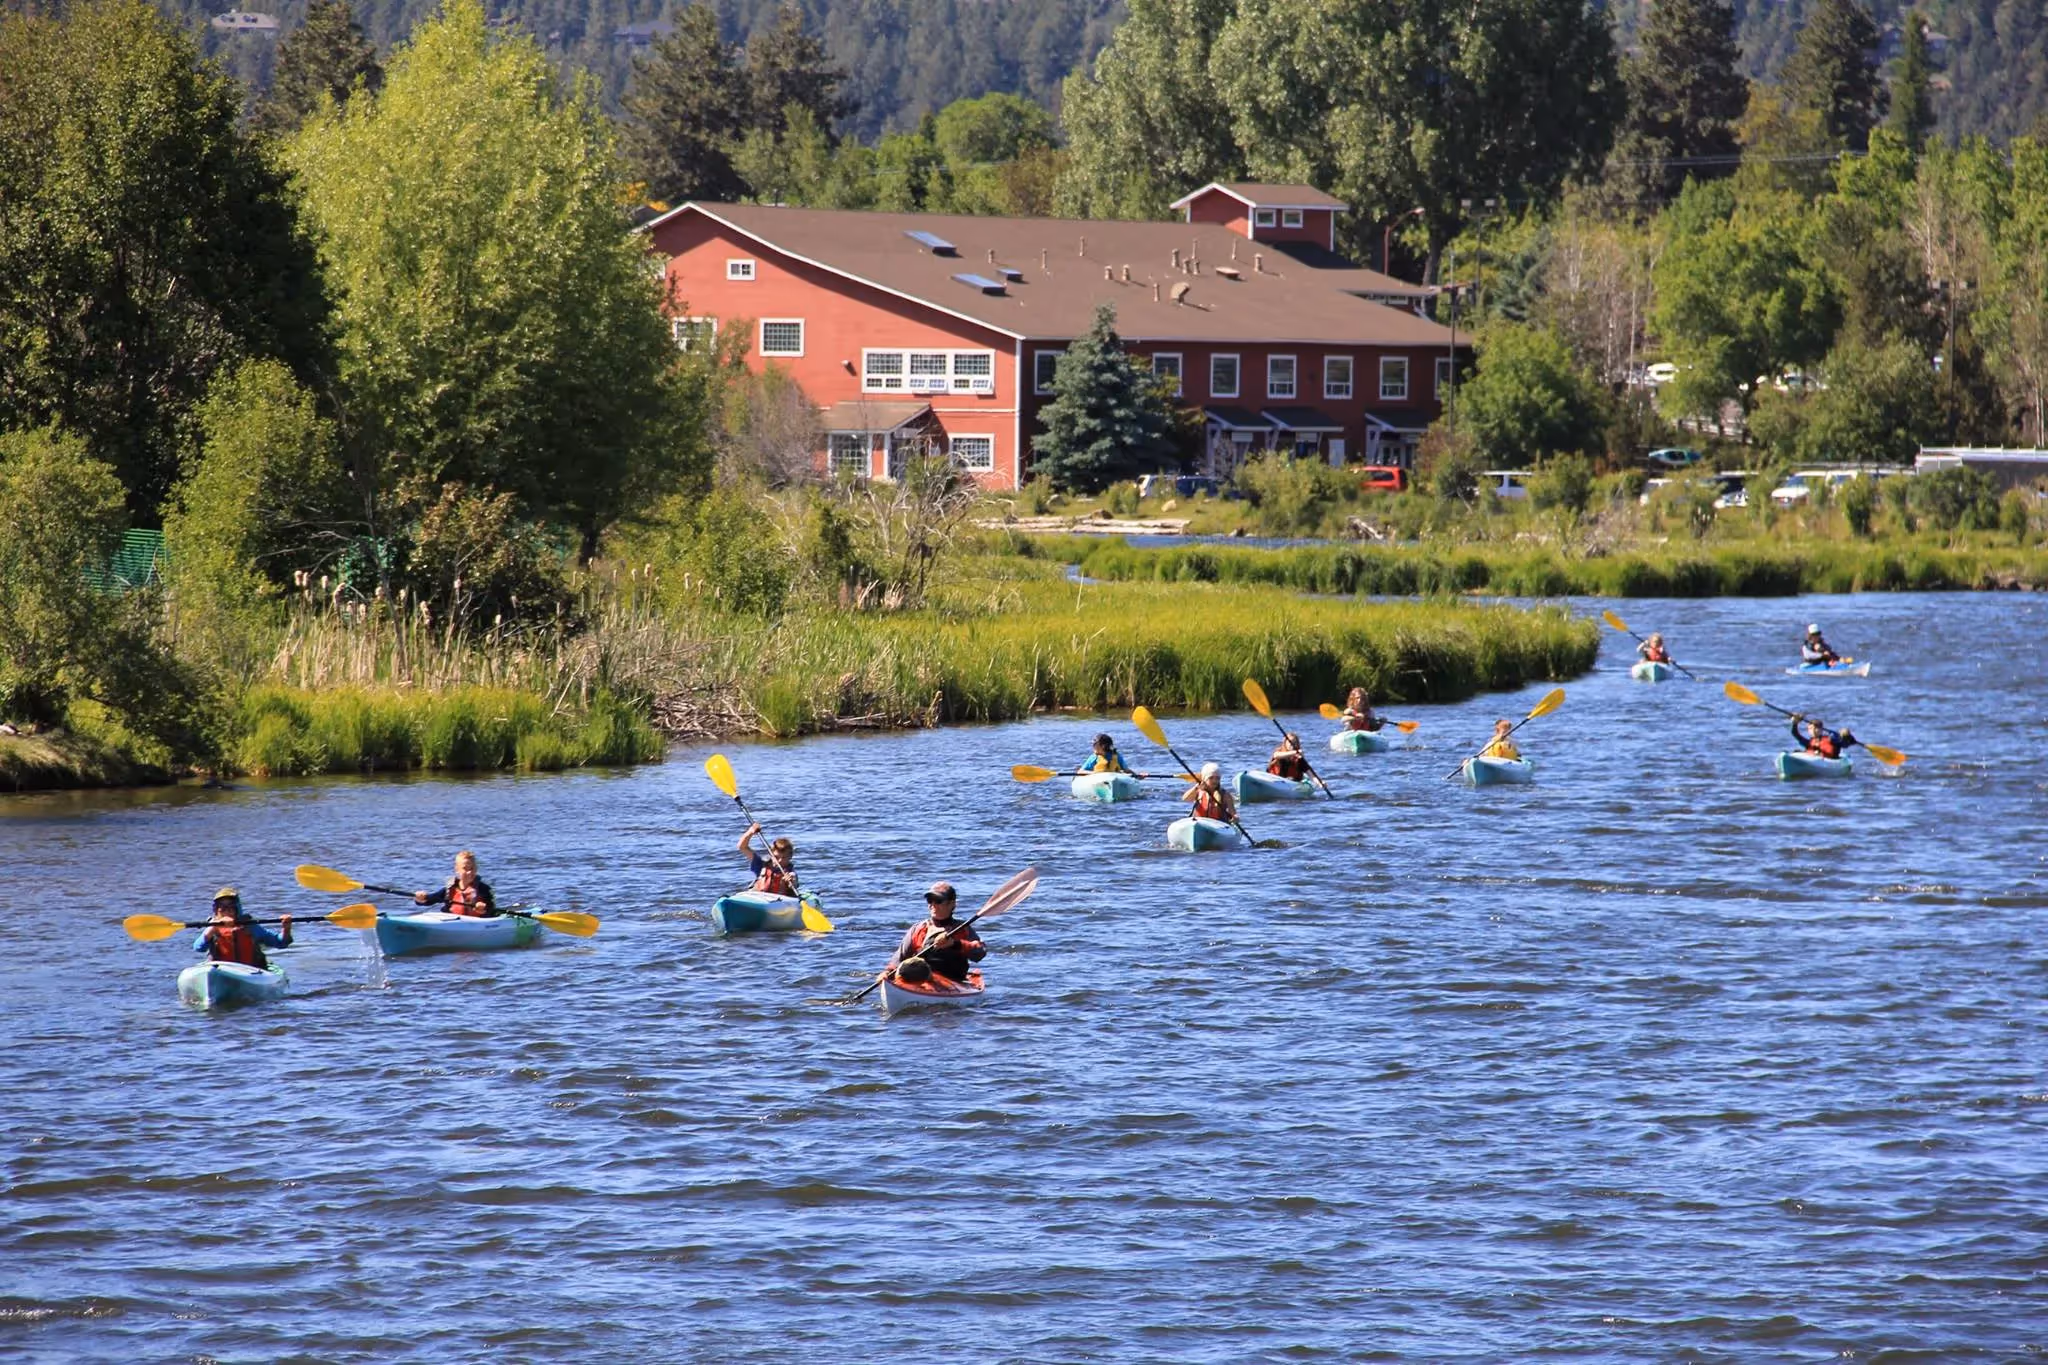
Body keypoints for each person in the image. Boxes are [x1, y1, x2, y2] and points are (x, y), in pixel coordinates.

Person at [889, 881, 986, 985]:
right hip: (922, 980)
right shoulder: (918, 929)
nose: (933, 905)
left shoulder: (963, 929)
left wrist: (955, 944)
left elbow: (980, 953)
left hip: (954, 980)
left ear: (952, 904)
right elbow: (900, 957)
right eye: (930, 900)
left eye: (938, 901)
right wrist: (888, 972)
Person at [193, 888, 291, 968]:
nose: (227, 911)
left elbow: (281, 943)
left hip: (250, 971)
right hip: (221, 970)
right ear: (216, 910)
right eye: (222, 908)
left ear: (237, 909)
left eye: (231, 907)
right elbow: (198, 947)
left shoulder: (250, 926)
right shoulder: (212, 927)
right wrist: (213, 927)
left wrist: (286, 929)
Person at [413, 850, 498, 917]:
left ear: (476, 868)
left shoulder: (484, 889)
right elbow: (429, 900)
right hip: (453, 922)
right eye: (465, 868)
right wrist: (420, 898)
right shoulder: (450, 889)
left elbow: (491, 909)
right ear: (457, 869)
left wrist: (484, 909)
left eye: (472, 868)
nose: (469, 872)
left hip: (477, 924)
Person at [738, 823, 799, 896]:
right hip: (758, 897)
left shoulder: (790, 873)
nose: (779, 861)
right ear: (771, 855)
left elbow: (794, 883)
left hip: (779, 899)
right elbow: (742, 847)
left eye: (784, 857)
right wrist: (750, 832)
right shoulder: (761, 864)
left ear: (790, 857)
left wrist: (791, 882)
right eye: (776, 857)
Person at [1792, 714, 1857, 759]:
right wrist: (1795, 723)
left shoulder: (1831, 739)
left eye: (1816, 728)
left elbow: (1845, 744)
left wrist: (1847, 736)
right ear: (1808, 730)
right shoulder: (1809, 743)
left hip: (1830, 762)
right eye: (1810, 728)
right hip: (1813, 760)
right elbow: (1795, 734)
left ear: (1821, 729)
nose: (1813, 731)